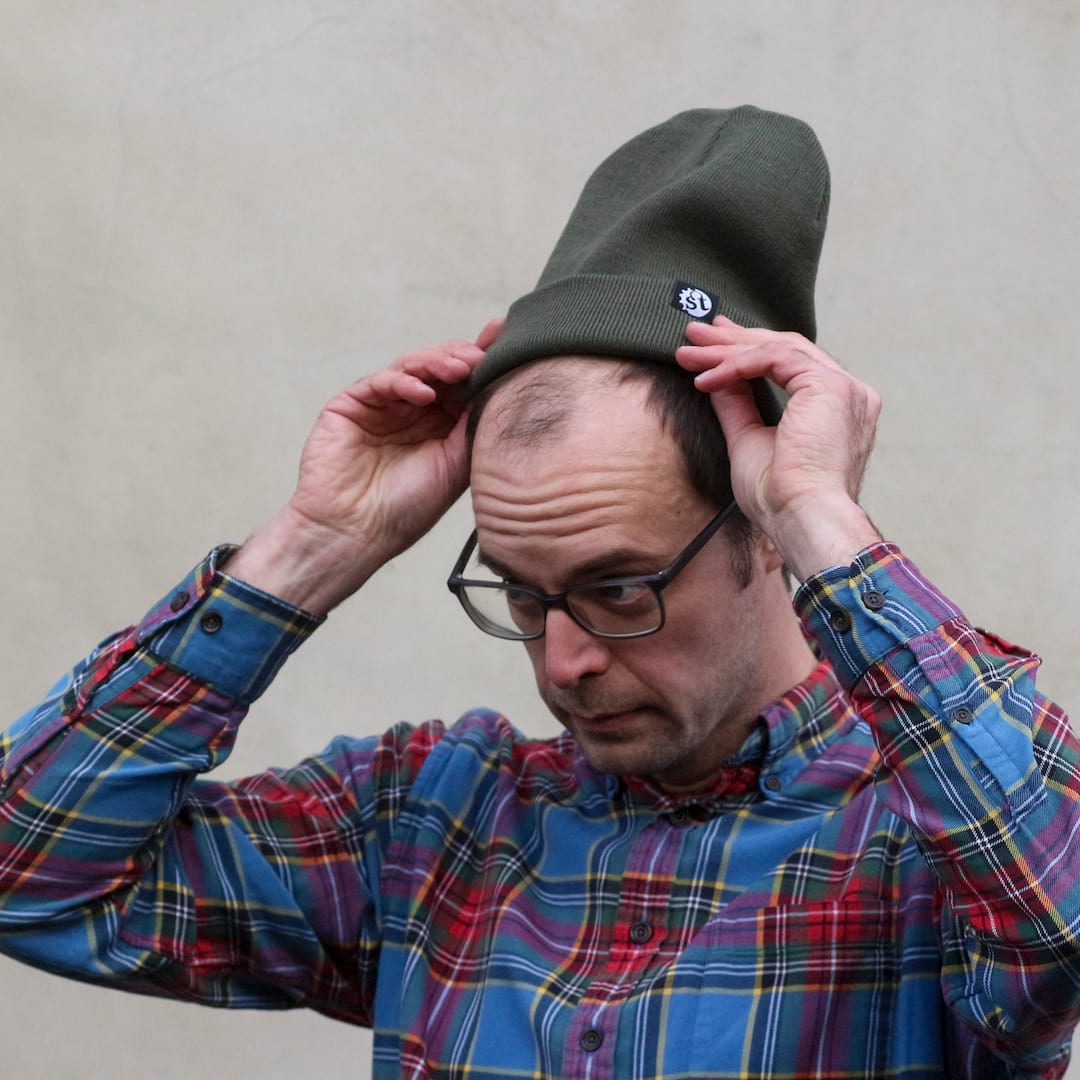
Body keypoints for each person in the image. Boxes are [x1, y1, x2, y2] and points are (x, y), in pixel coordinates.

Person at [2, 106, 1079, 1079]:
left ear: (760, 528)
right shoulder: (434, 823)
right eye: (523, 597)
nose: (564, 664)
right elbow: (30, 875)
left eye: (620, 590)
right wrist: (313, 548)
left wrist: (825, 519)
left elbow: (1062, 918)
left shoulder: (929, 843)